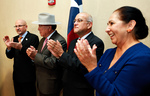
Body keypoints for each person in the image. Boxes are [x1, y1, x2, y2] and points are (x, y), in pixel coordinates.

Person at [74, 6, 150, 96]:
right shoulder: (109, 53)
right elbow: (96, 81)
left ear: (130, 25)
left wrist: (91, 67)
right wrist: (86, 60)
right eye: (108, 24)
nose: (106, 29)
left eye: (112, 23)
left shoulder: (142, 57)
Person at [47, 12, 104, 96]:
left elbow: (82, 67)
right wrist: (59, 57)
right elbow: (68, 63)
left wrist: (62, 54)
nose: (75, 23)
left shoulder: (96, 43)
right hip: (67, 87)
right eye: (74, 21)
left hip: (81, 89)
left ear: (89, 25)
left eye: (79, 20)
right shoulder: (73, 42)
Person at [26, 13, 67, 96]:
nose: (38, 28)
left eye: (40, 25)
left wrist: (35, 56)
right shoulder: (42, 40)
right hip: (41, 83)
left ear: (49, 27)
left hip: (50, 85)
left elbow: (53, 63)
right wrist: (33, 56)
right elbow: (40, 58)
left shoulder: (59, 41)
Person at [3, 19, 39, 96]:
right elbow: (10, 56)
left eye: (20, 26)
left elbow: (33, 56)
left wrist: (21, 47)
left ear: (26, 26)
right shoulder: (14, 39)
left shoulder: (33, 38)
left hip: (28, 76)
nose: (17, 28)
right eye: (16, 26)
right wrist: (9, 47)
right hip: (17, 76)